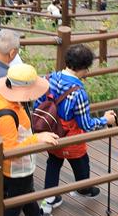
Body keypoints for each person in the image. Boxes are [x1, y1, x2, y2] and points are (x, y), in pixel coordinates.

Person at [0, 63, 60, 216]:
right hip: (15, 167)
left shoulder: (2, 93)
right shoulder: (6, 116)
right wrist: (37, 138)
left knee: (23, 190)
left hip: (11, 166)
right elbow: (11, 150)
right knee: (15, 203)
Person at [42, 45, 107, 207]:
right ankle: (83, 189)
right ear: (83, 69)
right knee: (81, 161)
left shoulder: (49, 78)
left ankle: (49, 197)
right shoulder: (78, 93)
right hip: (70, 137)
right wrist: (105, 120)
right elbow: (86, 125)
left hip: (51, 131)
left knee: (54, 162)